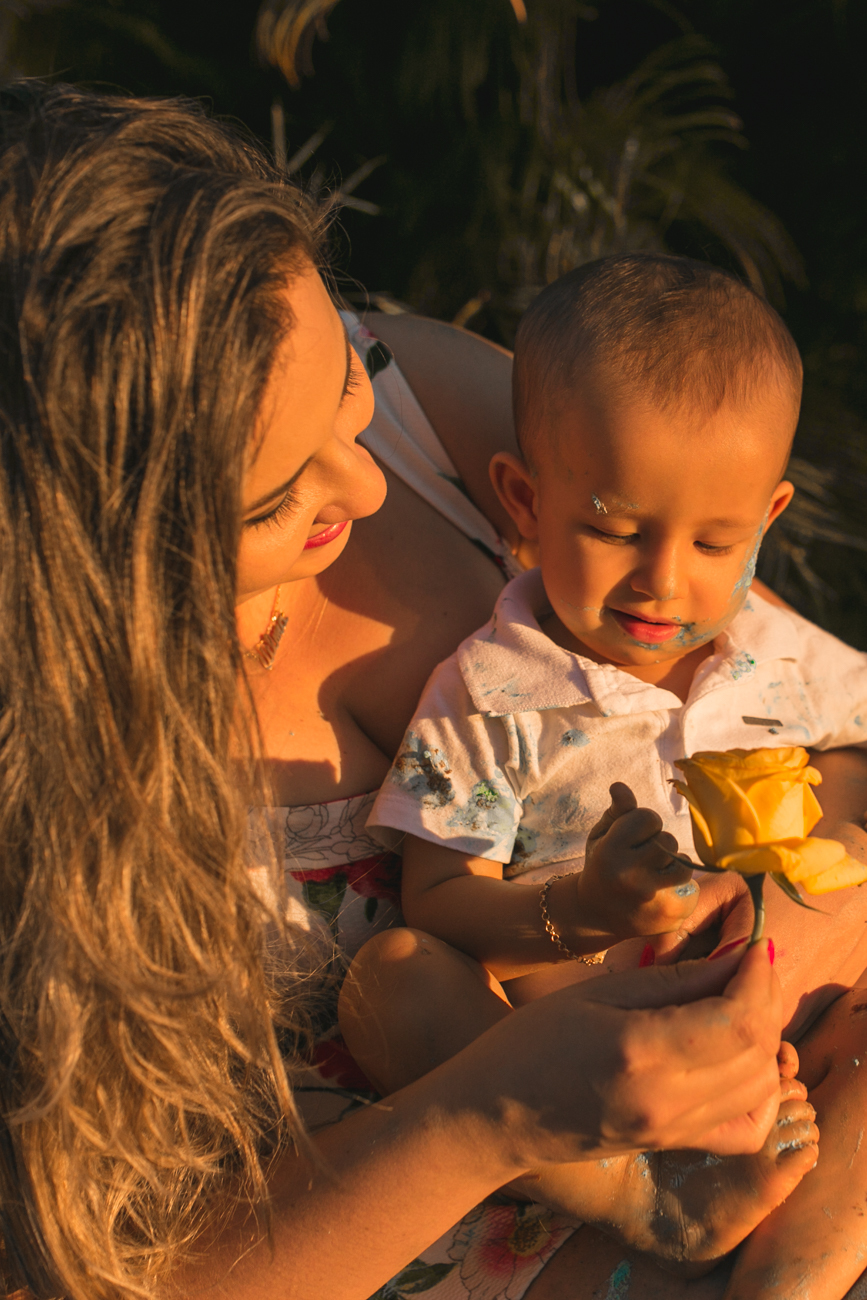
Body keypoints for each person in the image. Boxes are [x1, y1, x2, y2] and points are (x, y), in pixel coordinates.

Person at [0, 82, 790, 1300]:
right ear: (81, 549)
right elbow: (113, 1277)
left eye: (344, 390)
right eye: (273, 499)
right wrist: (492, 1115)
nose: (366, 489)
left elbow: (788, 709)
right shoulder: (43, 790)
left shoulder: (425, 413)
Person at [343, 258, 867, 1299]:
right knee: (395, 978)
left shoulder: (780, 656)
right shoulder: (496, 689)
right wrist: (580, 906)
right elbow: (434, 895)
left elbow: (853, 757)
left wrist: (822, 859)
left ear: (769, 516)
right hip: (583, 1072)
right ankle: (642, 1193)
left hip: (789, 1036)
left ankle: (801, 1259)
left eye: (718, 540)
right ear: (525, 500)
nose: (664, 581)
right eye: (615, 529)